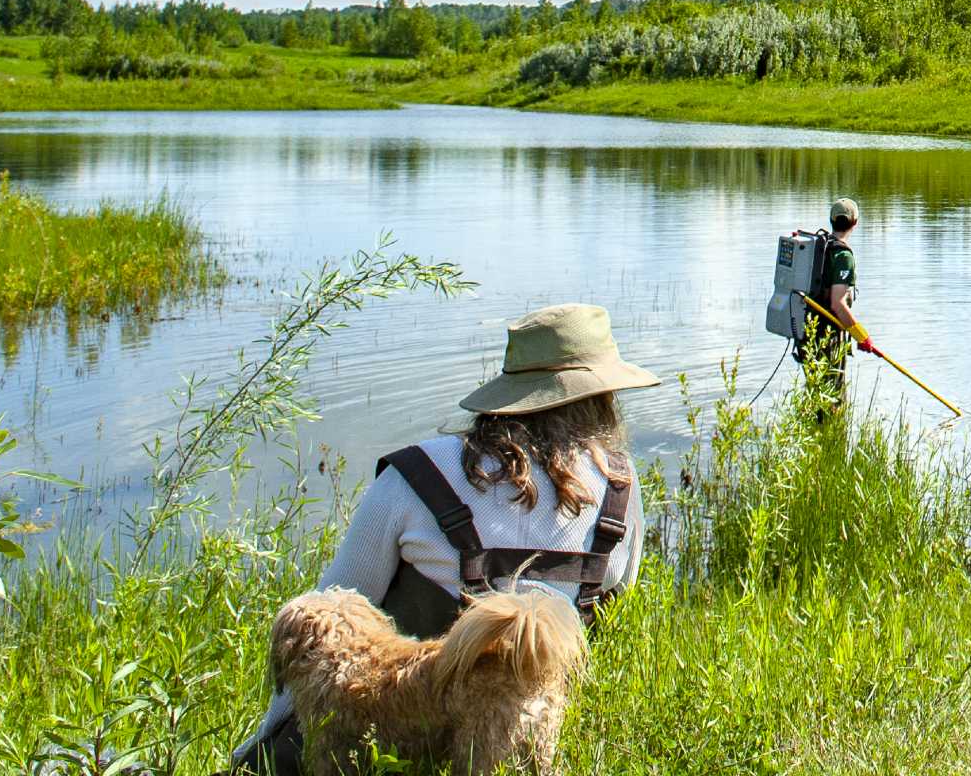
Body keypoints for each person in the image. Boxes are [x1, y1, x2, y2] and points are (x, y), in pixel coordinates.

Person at [233, 302, 656, 773]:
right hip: (539, 722)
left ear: (507, 395)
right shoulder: (621, 485)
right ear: (602, 400)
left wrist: (260, 744)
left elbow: (327, 625)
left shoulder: (416, 474)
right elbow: (615, 601)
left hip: (393, 738)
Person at [798, 197, 879, 406]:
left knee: (815, 394)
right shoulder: (843, 256)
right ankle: (831, 435)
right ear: (855, 223)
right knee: (832, 401)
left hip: (807, 332)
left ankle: (817, 434)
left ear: (831, 220)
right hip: (827, 336)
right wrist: (862, 337)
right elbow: (837, 303)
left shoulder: (818, 246)